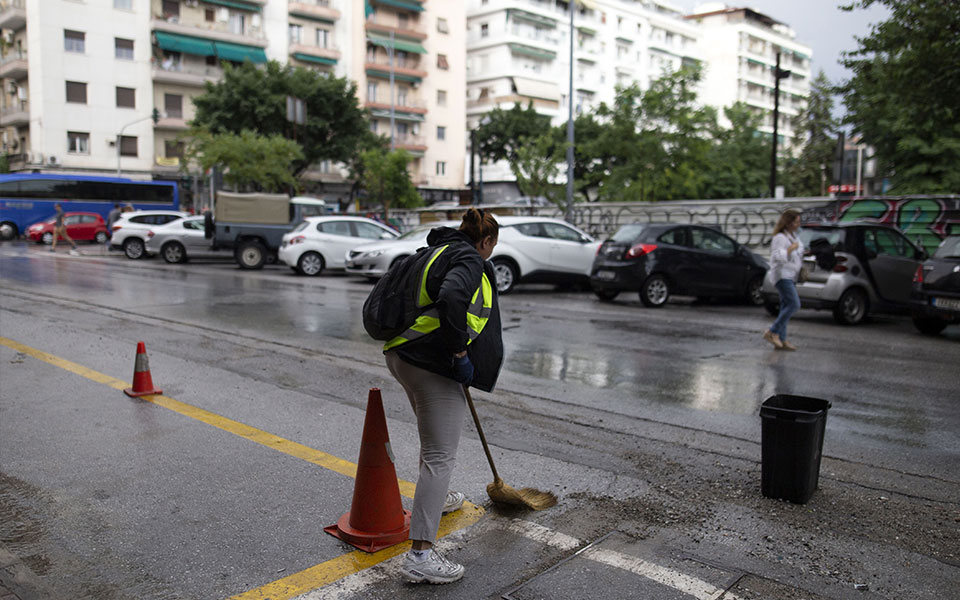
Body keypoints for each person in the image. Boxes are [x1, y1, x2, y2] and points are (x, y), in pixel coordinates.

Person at [384, 208, 503, 585]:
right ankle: (420, 555)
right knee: (440, 455)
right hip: (431, 364)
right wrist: (459, 353)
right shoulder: (468, 258)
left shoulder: (433, 251)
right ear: (485, 241)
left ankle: (441, 498)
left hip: (402, 356)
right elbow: (453, 297)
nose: (489, 253)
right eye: (492, 247)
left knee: (431, 442)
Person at [764, 209, 804, 351]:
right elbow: (776, 256)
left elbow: (799, 252)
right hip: (782, 275)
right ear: (789, 223)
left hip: (791, 275)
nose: (798, 224)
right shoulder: (780, 237)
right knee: (794, 304)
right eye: (796, 222)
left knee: (785, 306)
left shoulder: (793, 236)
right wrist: (790, 250)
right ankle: (772, 331)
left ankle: (782, 339)